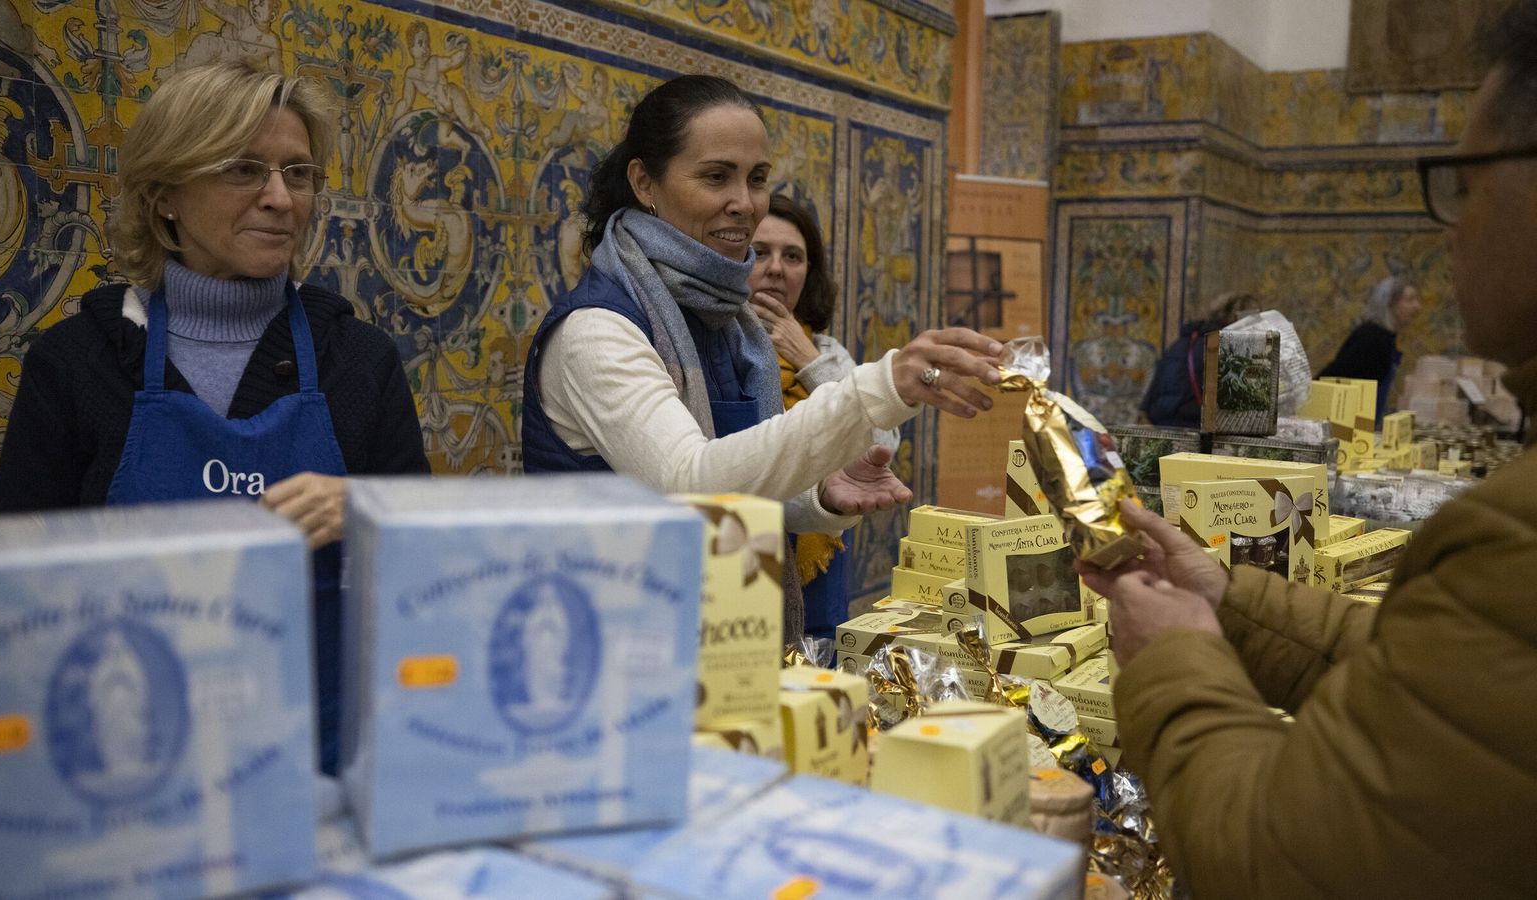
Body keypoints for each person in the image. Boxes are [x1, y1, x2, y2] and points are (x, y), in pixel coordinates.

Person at [1077, 5, 1537, 894]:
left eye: (1466, 185)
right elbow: (1437, 696)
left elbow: (1282, 860)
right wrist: (1223, 596)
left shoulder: (1510, 537)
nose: (1452, 230)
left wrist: (1175, 654)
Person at [0, 61, 429, 774]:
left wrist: (366, 505)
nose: (281, 198)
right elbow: (11, 592)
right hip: (126, 761)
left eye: (299, 172)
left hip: (316, 761)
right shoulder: (77, 363)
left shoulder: (358, 360)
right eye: (243, 170)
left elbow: (433, 560)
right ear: (164, 195)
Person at [522, 75, 1005, 641]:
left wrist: (819, 497)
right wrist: (877, 386)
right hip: (613, 644)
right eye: (715, 176)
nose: (745, 204)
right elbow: (689, 482)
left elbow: (739, 480)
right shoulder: (596, 330)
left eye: (756, 179)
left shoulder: (731, 323)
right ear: (644, 181)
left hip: (717, 644)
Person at [748, 193, 900, 640]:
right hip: (744, 547)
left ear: (807, 273)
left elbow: (881, 443)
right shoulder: (716, 350)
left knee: (816, 660)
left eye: (792, 256)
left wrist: (808, 359)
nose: (776, 268)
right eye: (760, 253)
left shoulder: (829, 353)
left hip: (821, 540)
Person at [1138, 291, 1261, 427]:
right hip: (1193, 427)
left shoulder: (1181, 343)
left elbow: (1152, 394)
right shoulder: (1225, 349)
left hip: (1162, 423)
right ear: (1242, 322)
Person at [1318, 276, 1422, 415]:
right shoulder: (1372, 338)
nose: (1417, 306)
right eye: (1410, 300)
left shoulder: (1384, 337)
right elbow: (1338, 380)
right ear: (1390, 303)